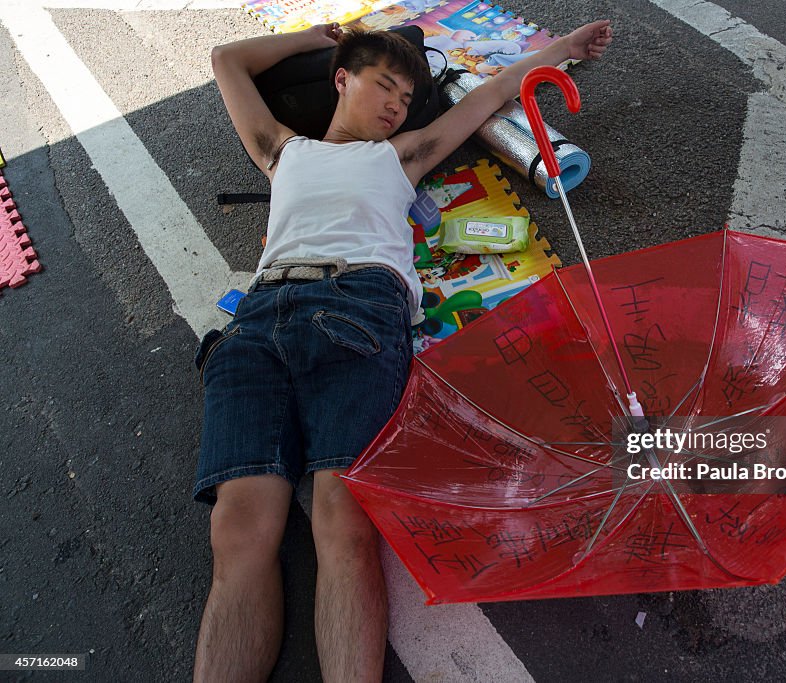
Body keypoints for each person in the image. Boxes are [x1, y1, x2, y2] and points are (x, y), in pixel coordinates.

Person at [192, 18, 612, 683]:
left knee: (345, 520)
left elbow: (490, 93)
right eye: (382, 84)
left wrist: (562, 49)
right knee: (238, 534)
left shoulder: (402, 155)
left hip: (358, 306)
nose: (394, 103)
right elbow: (226, 58)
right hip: (260, 318)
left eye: (404, 94)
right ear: (341, 80)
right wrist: (319, 38)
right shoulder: (281, 149)